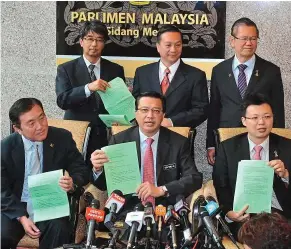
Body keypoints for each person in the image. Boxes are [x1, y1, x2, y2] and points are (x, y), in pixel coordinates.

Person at [1, 98, 89, 249]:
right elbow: (1, 189)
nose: (40, 126)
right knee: (2, 235)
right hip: (16, 204)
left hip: (48, 202)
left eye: (42, 117)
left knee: (59, 228)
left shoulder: (62, 138)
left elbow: (81, 169)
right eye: (31, 123)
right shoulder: (5, 148)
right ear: (17, 128)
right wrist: (21, 217)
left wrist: (72, 182)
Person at [91, 91, 202, 208]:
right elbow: (104, 185)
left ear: (163, 115)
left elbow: (194, 178)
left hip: (164, 209)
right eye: (144, 110)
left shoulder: (178, 142)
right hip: (127, 208)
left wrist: (162, 189)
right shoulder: (119, 140)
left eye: (156, 111)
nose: (150, 115)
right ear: (136, 114)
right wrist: (97, 169)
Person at [207, 17, 285, 165]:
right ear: (232, 41)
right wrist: (211, 144)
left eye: (253, 38)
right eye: (244, 38)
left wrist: (278, 146)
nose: (249, 43)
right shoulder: (219, 70)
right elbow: (214, 109)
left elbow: (278, 111)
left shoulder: (271, 71)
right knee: (228, 182)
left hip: (260, 141)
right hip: (227, 139)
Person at [212, 93, 290, 238]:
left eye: (267, 117)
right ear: (244, 121)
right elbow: (220, 185)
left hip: (280, 215)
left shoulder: (287, 147)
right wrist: (230, 212)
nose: (261, 122)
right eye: (255, 118)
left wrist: (286, 175)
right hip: (244, 216)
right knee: (260, 235)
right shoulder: (228, 148)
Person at [55, 20, 125, 165]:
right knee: (76, 175)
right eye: (90, 39)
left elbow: (120, 105)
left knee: (101, 178)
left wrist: (125, 98)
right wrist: (88, 88)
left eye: (99, 40)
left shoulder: (116, 70)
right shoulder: (66, 69)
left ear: (104, 43)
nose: (94, 44)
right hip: (76, 133)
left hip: (105, 135)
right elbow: (62, 100)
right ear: (81, 41)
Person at [132, 25, 209, 128]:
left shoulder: (195, 76)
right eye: (168, 45)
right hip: (146, 136)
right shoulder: (142, 73)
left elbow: (201, 110)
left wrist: (172, 122)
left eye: (178, 45)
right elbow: (135, 105)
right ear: (158, 47)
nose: (173, 50)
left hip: (179, 137)